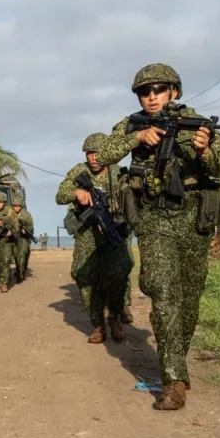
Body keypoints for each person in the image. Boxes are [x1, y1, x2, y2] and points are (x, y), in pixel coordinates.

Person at [96, 63, 220, 410]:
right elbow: (104, 154)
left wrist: (204, 150)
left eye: (159, 89)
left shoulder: (198, 123)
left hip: (192, 217)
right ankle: (172, 381)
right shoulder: (130, 124)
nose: (152, 96)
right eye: (145, 91)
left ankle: (178, 365)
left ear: (174, 90)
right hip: (154, 216)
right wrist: (137, 138)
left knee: (189, 298)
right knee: (163, 291)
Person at [56, 133, 133, 344]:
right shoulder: (79, 171)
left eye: (98, 152)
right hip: (87, 232)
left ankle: (115, 317)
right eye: (90, 153)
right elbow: (60, 195)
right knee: (85, 277)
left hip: (113, 229)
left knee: (118, 275)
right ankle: (98, 325)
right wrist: (76, 192)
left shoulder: (119, 172)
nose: (94, 157)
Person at [11, 196, 33, 282]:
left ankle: (22, 272)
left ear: (21, 206)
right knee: (16, 255)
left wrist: (26, 230)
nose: (16, 207)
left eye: (18, 205)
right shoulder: (10, 213)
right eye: (15, 205)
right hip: (13, 237)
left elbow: (30, 226)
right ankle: (19, 270)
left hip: (23, 238)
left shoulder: (26, 215)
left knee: (23, 254)